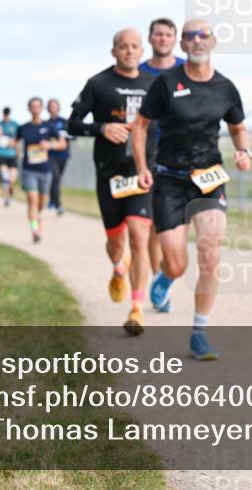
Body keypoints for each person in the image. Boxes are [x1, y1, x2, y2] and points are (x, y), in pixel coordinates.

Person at [133, 18, 252, 360]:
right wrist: (142, 167)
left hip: (209, 178)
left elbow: (238, 127)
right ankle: (165, 279)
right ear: (182, 46)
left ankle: (199, 333)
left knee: (210, 254)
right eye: (191, 37)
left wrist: (243, 151)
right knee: (176, 264)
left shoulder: (226, 87)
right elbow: (140, 127)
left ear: (213, 42)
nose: (198, 41)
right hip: (169, 179)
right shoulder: (167, 83)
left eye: (204, 35)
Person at [69, 28, 157, 336]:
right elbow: (73, 123)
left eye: (134, 46)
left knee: (139, 235)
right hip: (109, 172)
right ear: (114, 51)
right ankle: (119, 268)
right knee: (116, 241)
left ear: (142, 50)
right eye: (123, 46)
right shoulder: (98, 83)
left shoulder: (154, 84)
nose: (129, 51)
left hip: (141, 171)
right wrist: (103, 128)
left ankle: (137, 309)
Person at [140, 17, 185, 314]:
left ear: (175, 39)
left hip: (185, 154)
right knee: (157, 225)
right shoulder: (139, 72)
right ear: (150, 38)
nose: (163, 38)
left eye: (168, 34)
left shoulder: (186, 69)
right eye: (158, 34)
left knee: (183, 225)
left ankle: (167, 272)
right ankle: (161, 281)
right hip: (151, 153)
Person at [17, 97, 67, 243]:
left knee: (40, 203)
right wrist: (14, 147)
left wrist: (50, 145)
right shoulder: (24, 128)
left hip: (45, 169)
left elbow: (62, 144)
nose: (35, 109)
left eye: (38, 106)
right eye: (32, 106)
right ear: (29, 109)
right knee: (32, 199)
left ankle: (37, 218)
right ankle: (35, 229)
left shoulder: (49, 126)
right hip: (29, 169)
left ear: (41, 108)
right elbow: (15, 143)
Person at [44, 99, 72, 216]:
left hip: (63, 155)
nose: (53, 107)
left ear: (58, 107)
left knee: (57, 180)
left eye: (54, 105)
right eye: (51, 106)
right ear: (48, 108)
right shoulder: (46, 124)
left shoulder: (64, 121)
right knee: (54, 178)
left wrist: (65, 135)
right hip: (50, 155)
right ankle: (58, 204)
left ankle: (52, 200)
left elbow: (73, 135)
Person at [0, 107, 20, 207]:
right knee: (5, 177)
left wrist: (16, 146)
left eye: (8, 113)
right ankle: (6, 198)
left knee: (12, 179)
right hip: (1, 154)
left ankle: (11, 188)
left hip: (12, 154)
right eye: (5, 113)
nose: (6, 115)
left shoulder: (14, 124)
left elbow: (18, 138)